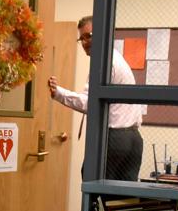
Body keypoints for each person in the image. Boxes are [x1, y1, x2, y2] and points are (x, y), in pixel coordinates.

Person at [48, 16, 144, 181]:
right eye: (82, 38)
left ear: (103, 34)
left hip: (114, 139)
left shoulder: (103, 63)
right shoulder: (117, 58)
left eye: (89, 35)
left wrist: (58, 93)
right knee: (123, 200)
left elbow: (89, 103)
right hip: (134, 140)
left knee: (93, 187)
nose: (85, 42)